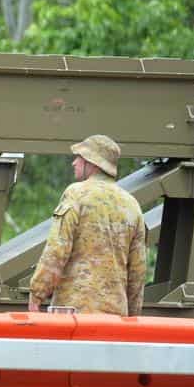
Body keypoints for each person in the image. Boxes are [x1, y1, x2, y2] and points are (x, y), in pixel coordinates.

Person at [29, 134, 147, 316]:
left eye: (80, 157)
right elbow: (137, 271)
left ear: (92, 163)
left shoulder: (76, 194)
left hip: (73, 312)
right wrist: (132, 315)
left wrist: (37, 295)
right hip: (115, 315)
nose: (74, 163)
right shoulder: (132, 204)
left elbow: (57, 250)